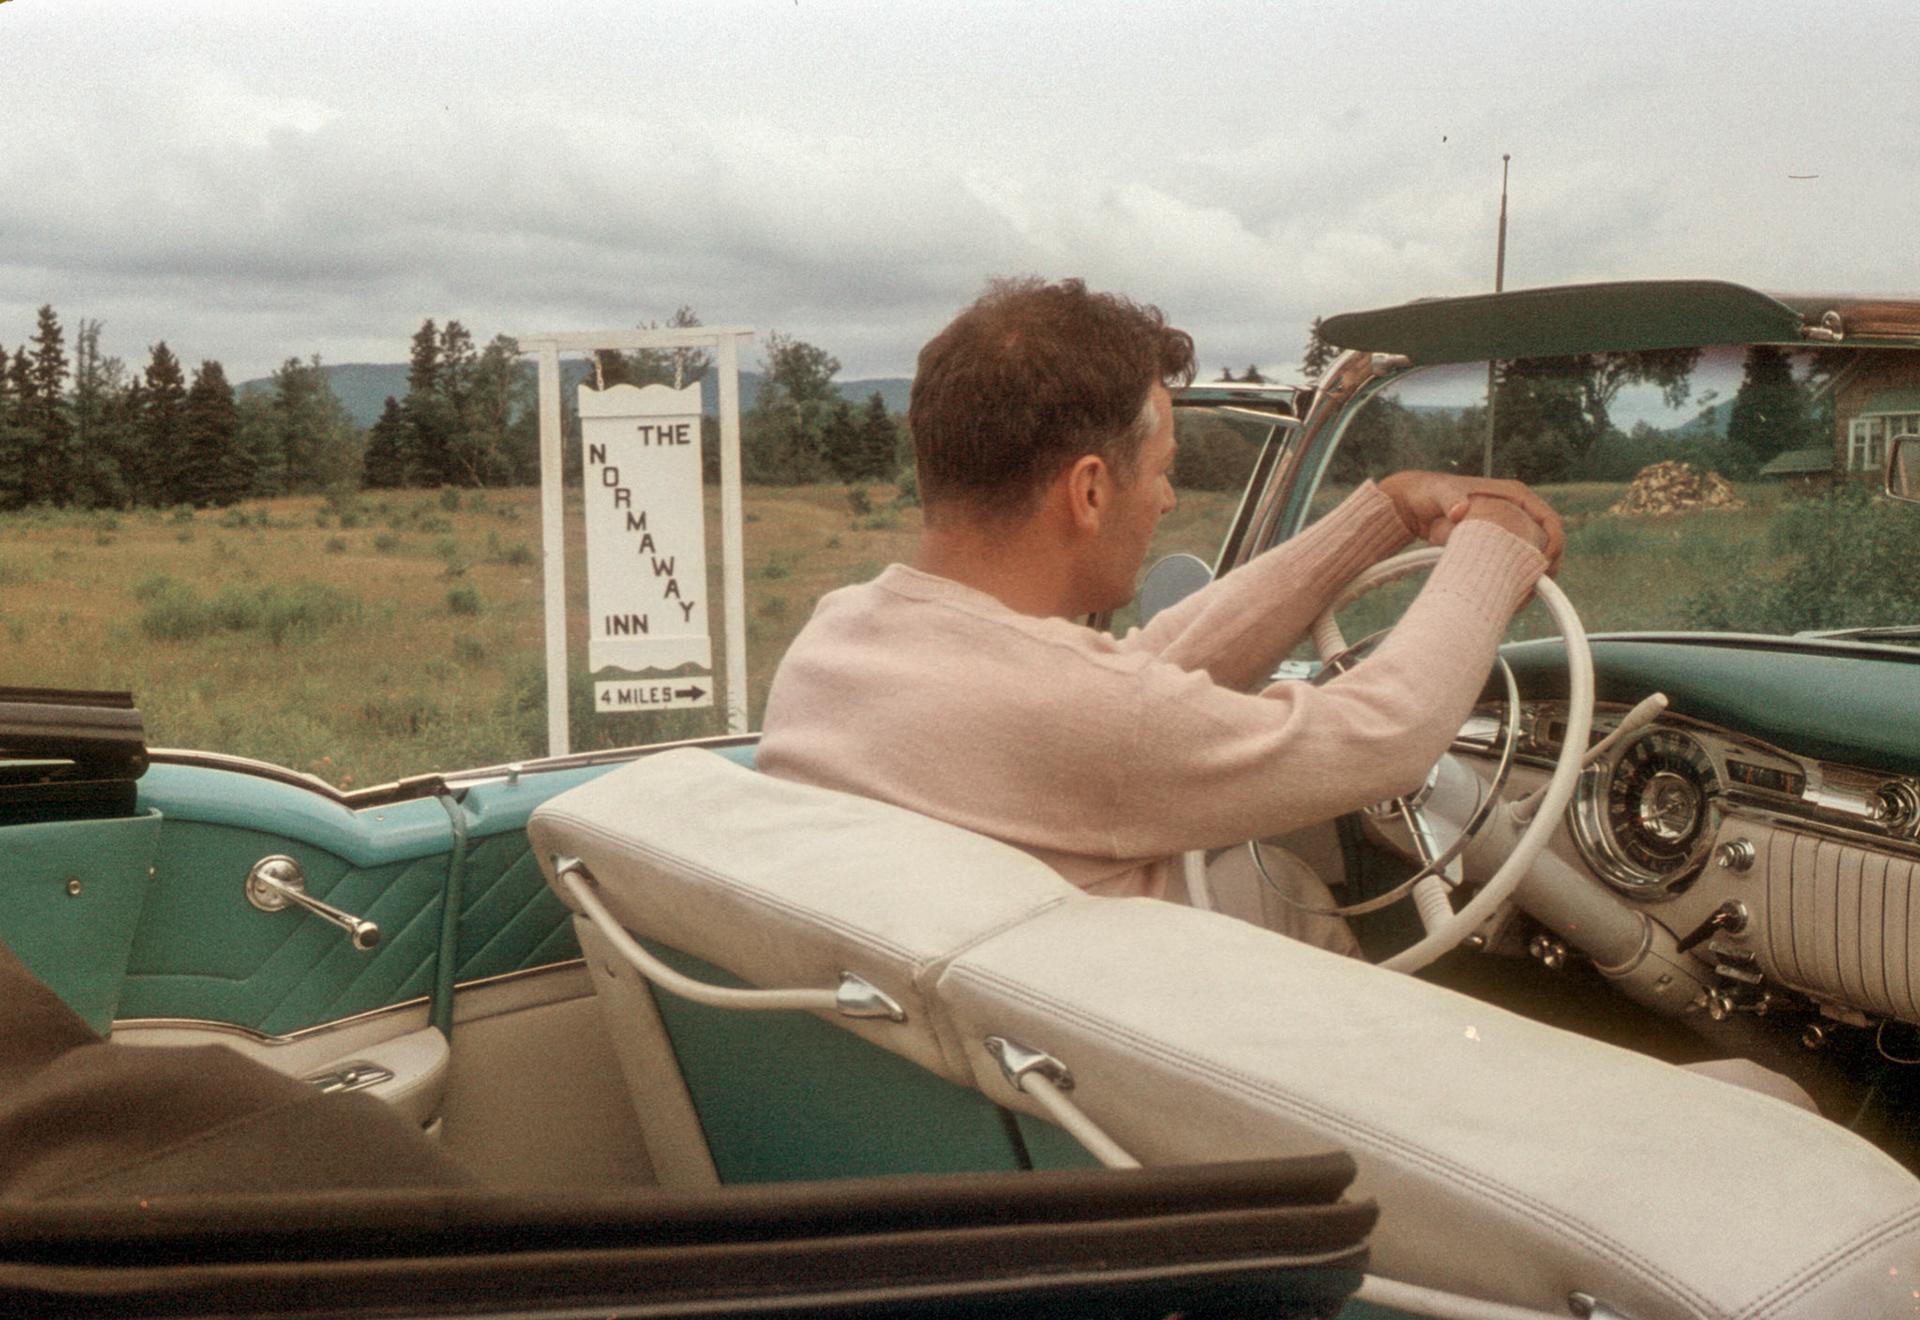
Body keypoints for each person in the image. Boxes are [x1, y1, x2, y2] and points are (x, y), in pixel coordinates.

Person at [756, 278, 1561, 952]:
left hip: (994, 1077)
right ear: (1091, 490)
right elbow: (1384, 737)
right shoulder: (1074, 709)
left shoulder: (836, 639)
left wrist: (1378, 518)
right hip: (1164, 1111)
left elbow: (1140, 678)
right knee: (1282, 892)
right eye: (1163, 473)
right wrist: (1492, 549)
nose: (1169, 500)